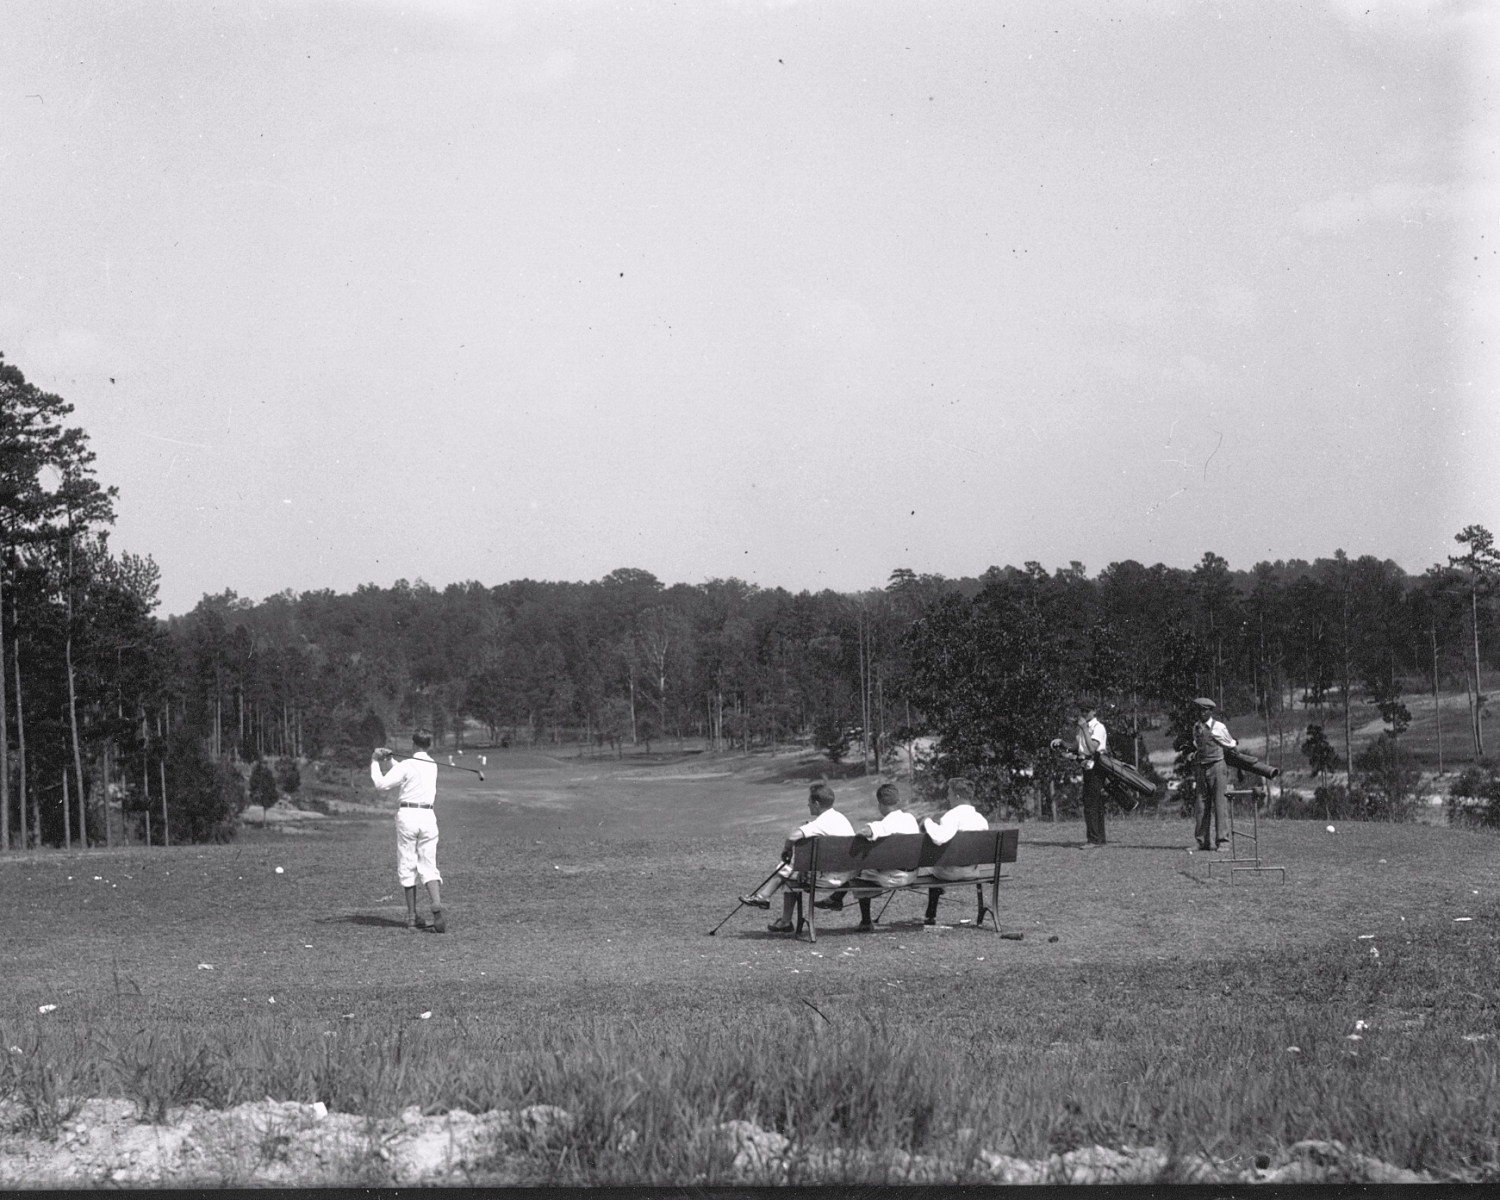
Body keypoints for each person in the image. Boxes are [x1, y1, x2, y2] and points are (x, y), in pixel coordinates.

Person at [739, 782, 854, 933]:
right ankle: (783, 920)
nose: (808, 804)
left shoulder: (821, 822)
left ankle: (764, 897)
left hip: (829, 879)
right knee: (794, 872)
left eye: (809, 801)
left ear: (816, 803)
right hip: (845, 875)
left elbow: (793, 837)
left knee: (790, 869)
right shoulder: (841, 818)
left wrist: (786, 850)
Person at [814, 781, 920, 931]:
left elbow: (865, 832)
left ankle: (864, 920)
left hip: (893, 877)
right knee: (864, 870)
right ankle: (836, 899)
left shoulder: (884, 824)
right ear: (898, 801)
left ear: (880, 804)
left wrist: (867, 829)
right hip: (911, 874)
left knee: (858, 872)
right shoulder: (910, 818)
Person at [371, 729, 446, 933]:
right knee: (428, 864)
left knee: (407, 864)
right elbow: (408, 772)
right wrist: (391, 761)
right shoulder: (432, 765)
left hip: (408, 816)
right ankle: (436, 903)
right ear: (429, 745)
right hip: (428, 816)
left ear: (413, 744)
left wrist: (375, 761)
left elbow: (381, 784)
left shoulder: (407, 765)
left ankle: (412, 918)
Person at [918, 777, 990, 926]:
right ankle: (933, 907)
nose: (948, 798)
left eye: (949, 794)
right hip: (972, 871)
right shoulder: (981, 819)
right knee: (937, 866)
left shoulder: (952, 816)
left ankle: (931, 914)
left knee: (932, 868)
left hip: (951, 872)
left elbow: (938, 838)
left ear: (957, 796)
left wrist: (927, 822)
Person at [1192, 697, 1237, 851]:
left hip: (1217, 767)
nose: (1201, 713)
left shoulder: (1218, 727)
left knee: (1220, 805)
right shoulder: (1196, 727)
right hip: (1201, 767)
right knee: (1201, 805)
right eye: (1199, 710)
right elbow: (1197, 745)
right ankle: (1202, 842)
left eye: (1205, 710)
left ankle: (1223, 841)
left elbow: (1231, 745)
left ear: (1211, 712)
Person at [1074, 701, 1109, 847]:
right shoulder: (1083, 728)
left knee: (1091, 803)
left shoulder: (1097, 727)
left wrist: (1084, 729)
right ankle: (1099, 838)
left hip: (1096, 766)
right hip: (1087, 766)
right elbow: (1079, 747)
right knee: (1094, 802)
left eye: (1087, 711)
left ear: (1094, 711)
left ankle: (1093, 839)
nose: (1084, 714)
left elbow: (1093, 748)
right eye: (1082, 711)